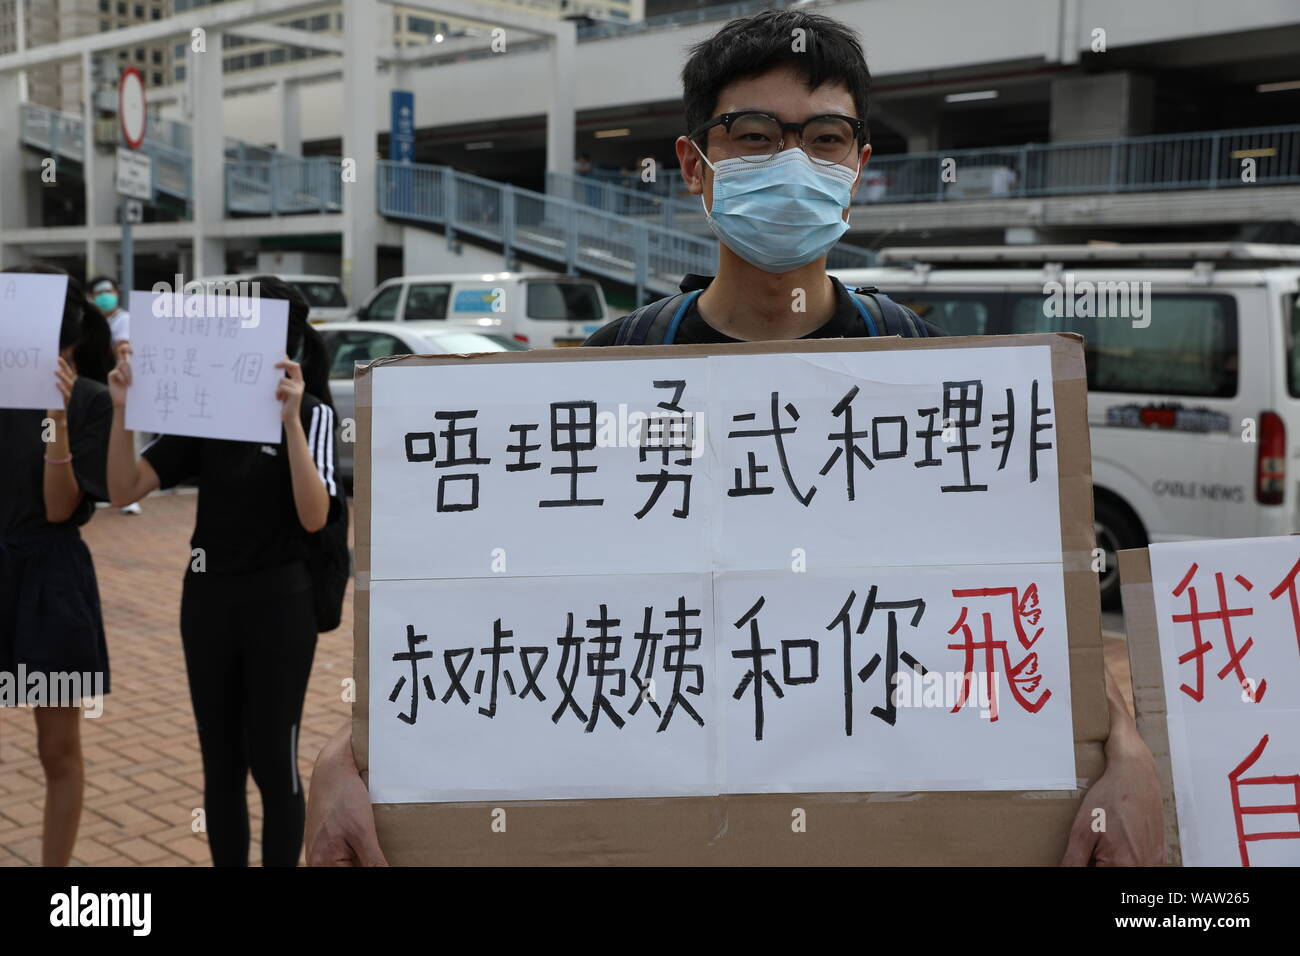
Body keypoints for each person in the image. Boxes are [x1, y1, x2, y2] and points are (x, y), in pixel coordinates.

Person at [305, 9, 1164, 867]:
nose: (794, 163)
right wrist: (347, 761)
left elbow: (1035, 610)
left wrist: (1122, 751)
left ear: (859, 166)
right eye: (754, 135)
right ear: (695, 164)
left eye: (825, 138)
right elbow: (474, 614)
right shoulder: (600, 379)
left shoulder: (931, 377)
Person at [107, 275, 340, 867]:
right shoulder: (204, 413)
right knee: (221, 764)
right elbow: (123, 489)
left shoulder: (310, 416)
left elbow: (315, 519)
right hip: (207, 602)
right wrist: (120, 411)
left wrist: (288, 423)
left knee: (272, 759)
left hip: (281, 605)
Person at [0, 265, 114, 866]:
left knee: (58, 751)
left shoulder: (91, 400)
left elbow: (58, 507)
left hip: (52, 584)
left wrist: (58, 418)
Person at [88, 276, 142, 514]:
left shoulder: (124, 320)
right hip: (100, 386)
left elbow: (121, 348)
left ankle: (130, 496)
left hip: (121, 386)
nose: (105, 296)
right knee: (103, 437)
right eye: (99, 293)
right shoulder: (92, 322)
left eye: (108, 291)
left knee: (125, 436)